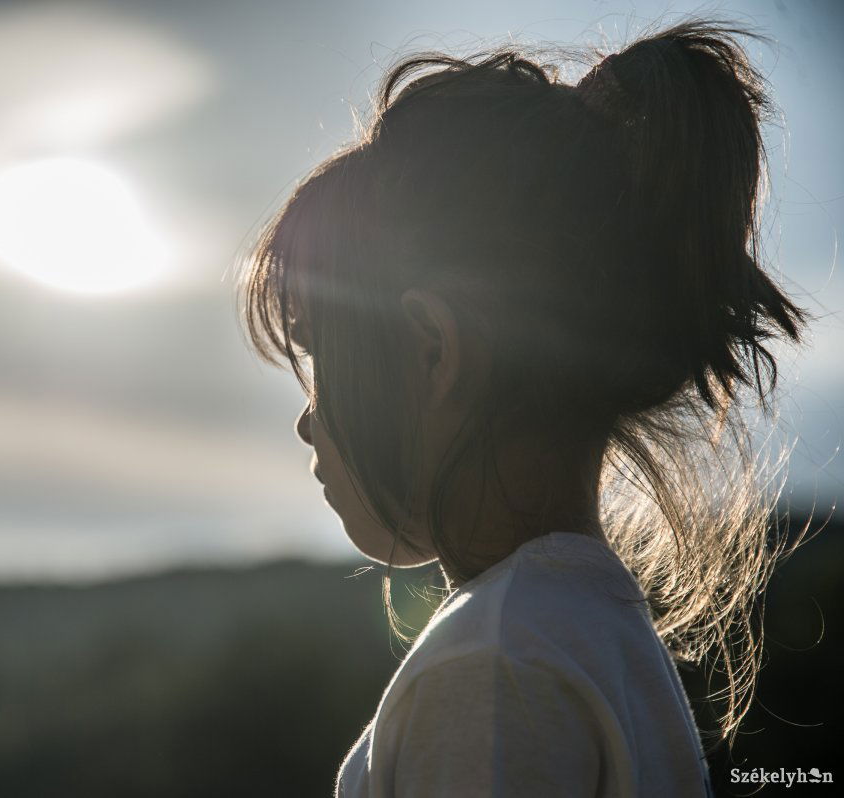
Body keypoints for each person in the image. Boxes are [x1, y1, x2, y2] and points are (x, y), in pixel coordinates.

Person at [235, 17, 811, 798]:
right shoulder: (592, 631)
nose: (309, 419)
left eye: (322, 353)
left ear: (433, 349)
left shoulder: (490, 666)